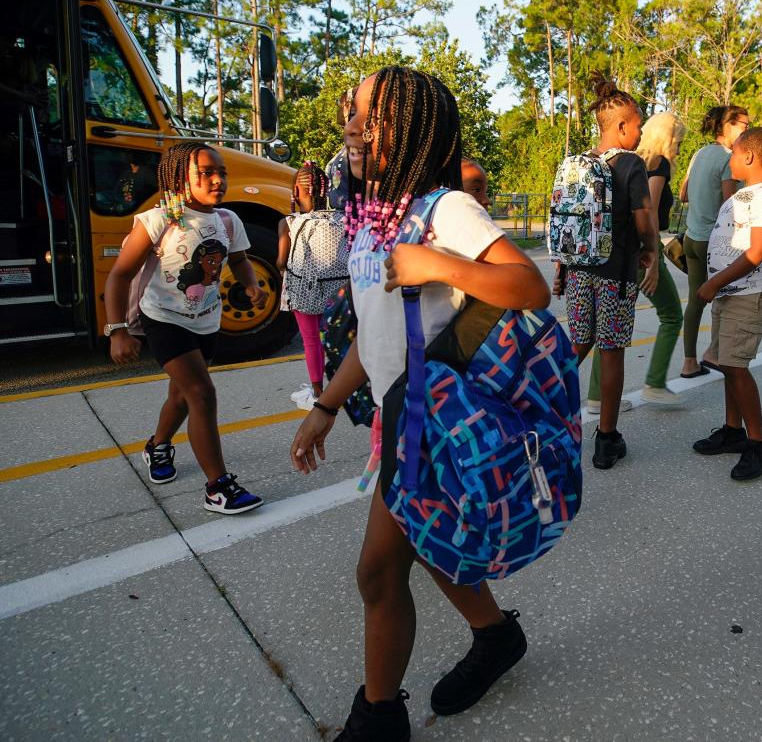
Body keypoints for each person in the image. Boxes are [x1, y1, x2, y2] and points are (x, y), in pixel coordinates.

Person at [289, 67, 550, 740]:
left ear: (411, 126)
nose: (351, 122)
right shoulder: (374, 221)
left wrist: (441, 266)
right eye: (351, 109)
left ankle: (378, 717)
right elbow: (376, 339)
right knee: (428, 546)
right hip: (399, 419)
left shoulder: (444, 209)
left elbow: (529, 284)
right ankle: (494, 637)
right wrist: (325, 404)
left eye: (369, 113)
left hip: (435, 428)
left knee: (378, 572)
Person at [102, 142, 267, 514]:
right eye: (205, 173)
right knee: (202, 394)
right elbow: (119, 276)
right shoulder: (156, 221)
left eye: (221, 172)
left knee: (181, 396)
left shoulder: (227, 220)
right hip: (163, 319)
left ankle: (157, 446)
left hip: (206, 320)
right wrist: (117, 331)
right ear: (179, 178)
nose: (217, 180)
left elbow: (239, 260)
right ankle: (218, 488)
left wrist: (252, 284)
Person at [552, 73, 658, 469]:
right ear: (622, 127)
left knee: (578, 345)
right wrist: (650, 252)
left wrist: (562, 267)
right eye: (639, 126)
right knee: (611, 352)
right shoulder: (631, 164)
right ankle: (607, 439)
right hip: (616, 273)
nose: (641, 133)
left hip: (580, 270)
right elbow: (644, 220)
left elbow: (567, 219)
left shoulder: (577, 164)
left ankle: (544, 411)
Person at [692, 127, 762, 481]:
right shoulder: (741, 197)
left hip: (749, 294)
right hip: (731, 292)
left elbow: (757, 252)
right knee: (726, 363)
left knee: (735, 365)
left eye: (733, 153)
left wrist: (713, 282)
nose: (729, 160)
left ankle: (759, 444)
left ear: (748, 156)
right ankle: (733, 430)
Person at [585, 111, 685, 408]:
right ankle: (655, 383)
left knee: (606, 325)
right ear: (669, 138)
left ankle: (595, 396)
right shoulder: (659, 163)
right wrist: (653, 261)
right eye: (679, 140)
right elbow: (649, 208)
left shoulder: (629, 159)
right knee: (671, 315)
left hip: (615, 250)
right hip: (642, 250)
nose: (679, 146)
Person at [679, 104, 748, 378]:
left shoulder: (699, 153)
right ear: (727, 126)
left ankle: (689, 363)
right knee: (726, 300)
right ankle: (715, 354)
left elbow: (683, 194)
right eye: (744, 124)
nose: (747, 129)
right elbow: (731, 205)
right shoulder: (729, 159)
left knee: (696, 301)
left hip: (691, 238)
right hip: (714, 242)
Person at [276, 161, 345, 403]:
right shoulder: (343, 218)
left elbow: (281, 261)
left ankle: (317, 392)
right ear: (326, 190)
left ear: (296, 191)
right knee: (340, 337)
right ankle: (345, 387)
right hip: (339, 292)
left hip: (304, 291)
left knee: (310, 340)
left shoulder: (289, 222)